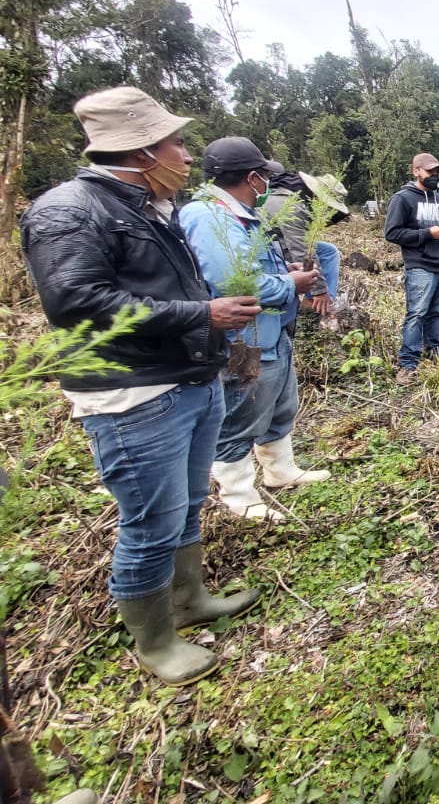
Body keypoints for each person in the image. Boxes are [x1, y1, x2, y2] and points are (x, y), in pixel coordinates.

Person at [20, 87, 263, 685]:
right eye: (176, 144)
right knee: (150, 520)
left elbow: (160, 287)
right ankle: (155, 642)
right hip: (134, 394)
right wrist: (201, 316)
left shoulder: (147, 205)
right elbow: (76, 302)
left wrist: (206, 316)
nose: (186, 155)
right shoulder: (69, 210)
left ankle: (189, 599)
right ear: (141, 150)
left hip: (185, 377)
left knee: (185, 505)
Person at [180, 138, 330, 523]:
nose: (268, 185)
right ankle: (237, 493)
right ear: (252, 177)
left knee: (280, 402)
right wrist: (289, 285)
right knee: (240, 412)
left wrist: (287, 275)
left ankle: (280, 471)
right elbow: (232, 281)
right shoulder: (210, 217)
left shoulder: (245, 216)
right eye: (265, 177)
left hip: (271, 328)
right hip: (243, 336)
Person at [385, 153, 439, 382]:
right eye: (430, 172)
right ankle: (408, 363)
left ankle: (434, 352)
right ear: (416, 171)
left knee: (436, 313)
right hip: (420, 267)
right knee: (416, 314)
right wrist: (427, 234)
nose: (435, 176)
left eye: (437, 173)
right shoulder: (403, 199)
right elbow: (392, 233)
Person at [262, 170, 349, 317]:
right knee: (313, 255)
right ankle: (318, 302)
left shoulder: (296, 197)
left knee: (328, 251)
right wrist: (319, 290)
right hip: (267, 249)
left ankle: (323, 300)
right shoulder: (292, 207)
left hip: (279, 242)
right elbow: (301, 252)